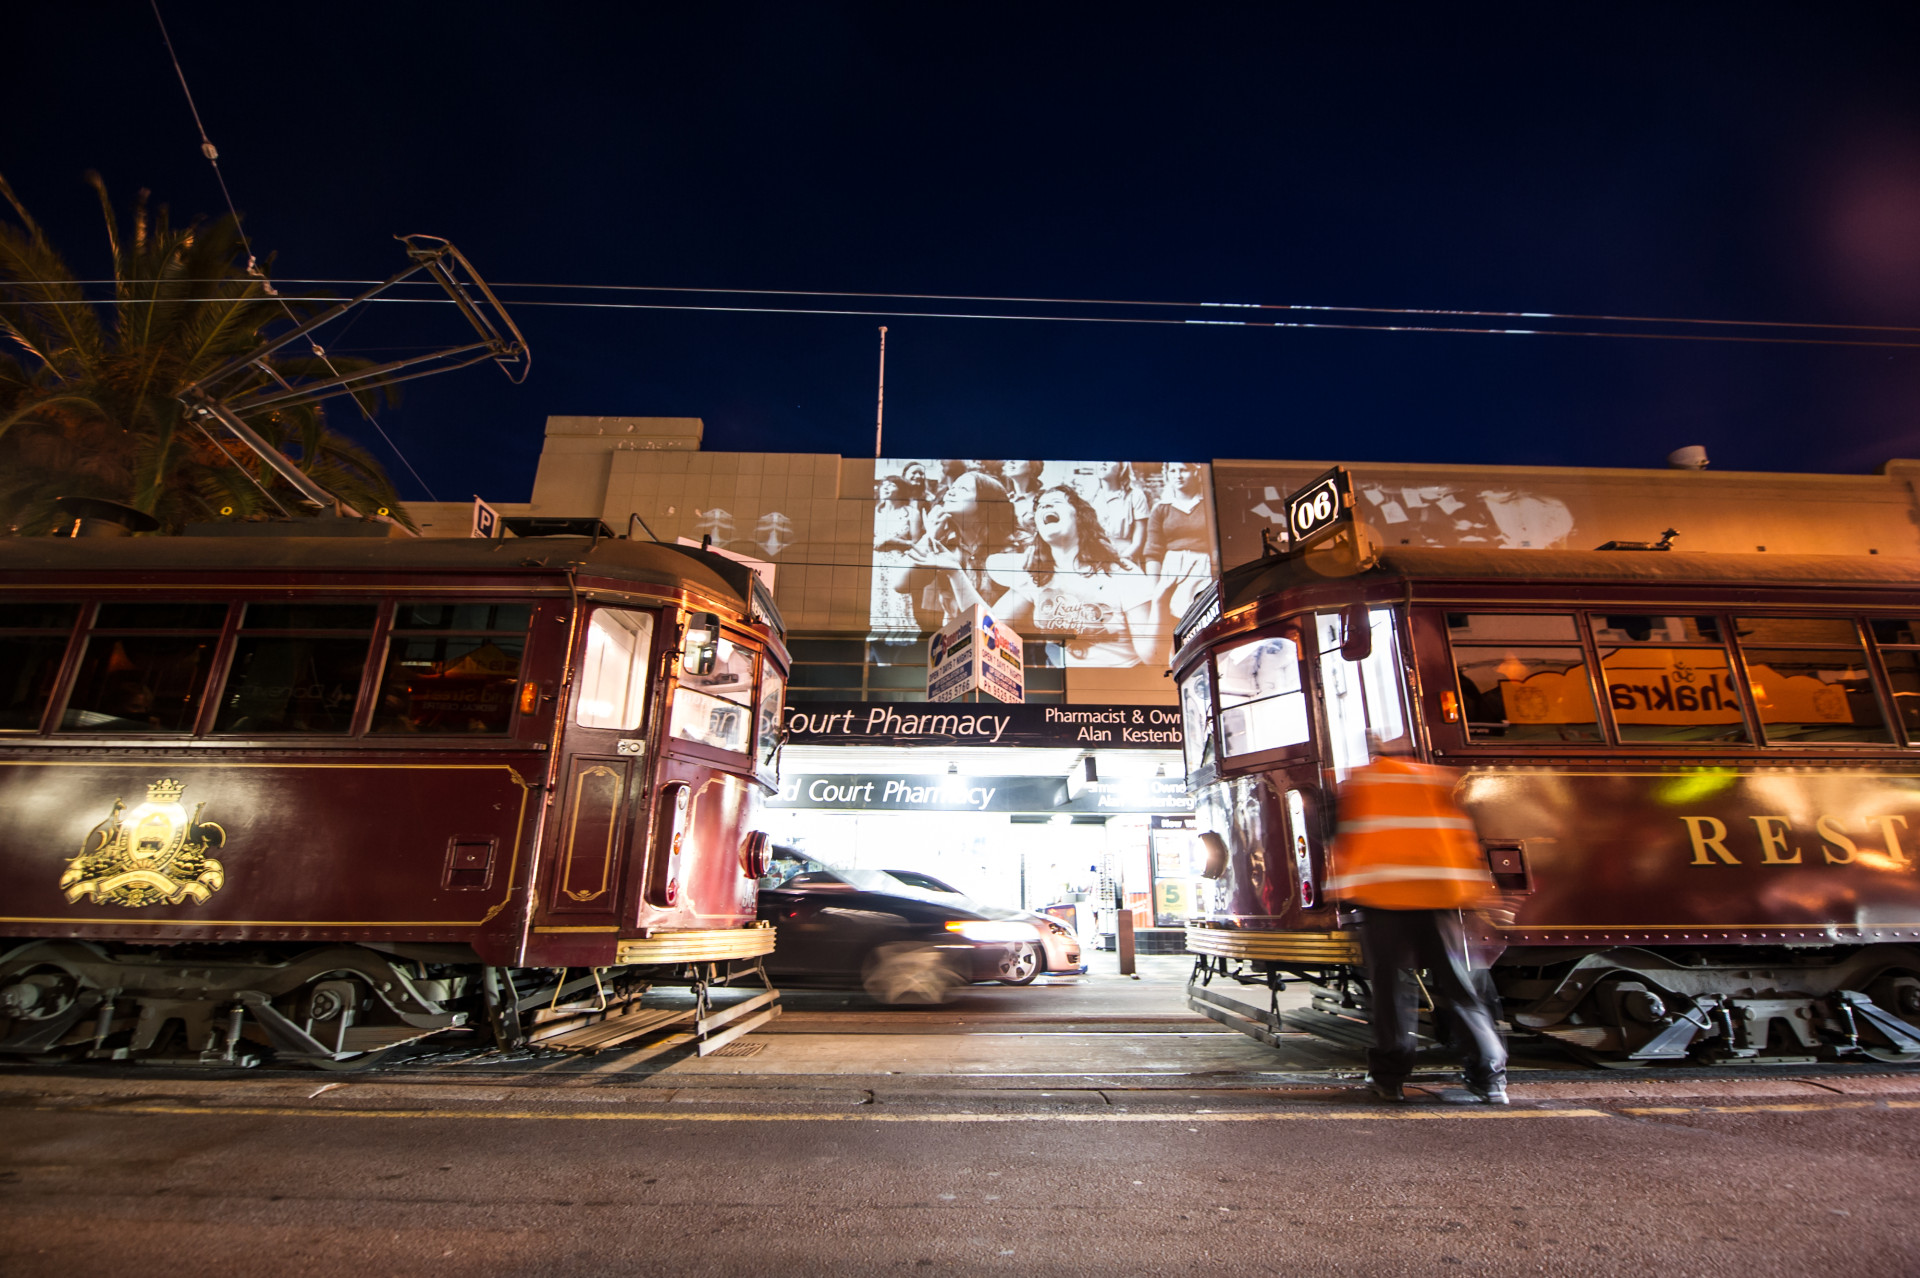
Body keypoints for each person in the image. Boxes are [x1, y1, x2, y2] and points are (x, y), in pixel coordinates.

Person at [1324, 745, 1507, 1104]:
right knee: (1459, 987)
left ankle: (1389, 1079)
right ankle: (1490, 1079)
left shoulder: (1361, 782)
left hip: (1383, 897)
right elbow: (1464, 835)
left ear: (1376, 755)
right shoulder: (1437, 780)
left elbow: (1339, 836)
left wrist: (1339, 889)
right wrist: (1479, 893)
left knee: (1392, 991)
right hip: (1441, 897)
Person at [990, 486, 1159, 667]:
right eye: (1040, 507)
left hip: (1119, 683)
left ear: (1079, 517)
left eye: (1056, 502)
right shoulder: (1036, 576)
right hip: (1058, 684)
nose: (1045, 507)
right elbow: (990, 628)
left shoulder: (1123, 574)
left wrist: (1160, 601)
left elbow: (1152, 657)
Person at [1087, 461, 1149, 563]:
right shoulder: (1090, 498)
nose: (1104, 462)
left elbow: (1138, 542)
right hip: (1095, 559)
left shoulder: (1135, 496)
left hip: (1126, 558)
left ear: (1122, 467)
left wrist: (1119, 561)